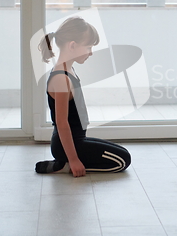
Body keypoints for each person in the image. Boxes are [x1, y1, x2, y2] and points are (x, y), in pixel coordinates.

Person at [35, 16, 131, 177]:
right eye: (88, 47)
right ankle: (64, 165)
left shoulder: (68, 71)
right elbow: (62, 122)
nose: (91, 53)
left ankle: (66, 160)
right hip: (68, 146)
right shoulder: (61, 78)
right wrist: (73, 160)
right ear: (72, 46)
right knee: (122, 161)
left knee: (122, 151)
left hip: (77, 140)